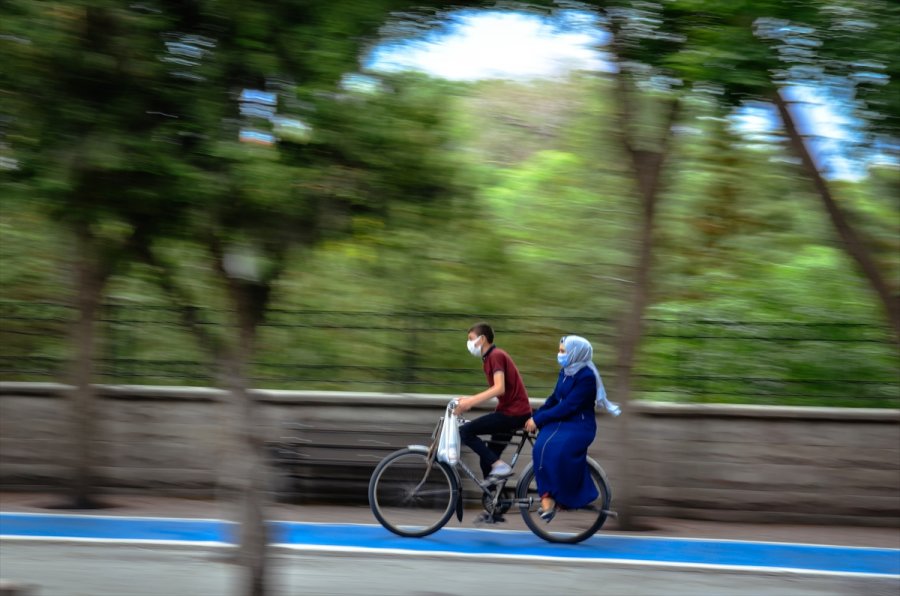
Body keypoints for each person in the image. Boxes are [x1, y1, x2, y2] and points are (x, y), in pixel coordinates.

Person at [524, 335, 620, 521]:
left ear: (577, 353)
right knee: (540, 447)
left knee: (559, 451)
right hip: (562, 422)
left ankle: (566, 497)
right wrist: (536, 416)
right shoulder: (566, 371)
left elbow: (568, 406)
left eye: (563, 351)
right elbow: (555, 398)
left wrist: (540, 419)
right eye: (560, 351)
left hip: (579, 425)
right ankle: (547, 495)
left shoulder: (587, 377)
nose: (560, 354)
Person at [456, 322, 533, 483]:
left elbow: (499, 388)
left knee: (465, 432)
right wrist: (467, 399)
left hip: (513, 414)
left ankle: (500, 467)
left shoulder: (495, 356)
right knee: (487, 460)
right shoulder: (490, 358)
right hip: (510, 412)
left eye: (470, 338)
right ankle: (493, 497)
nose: (468, 343)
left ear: (482, 339)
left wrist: (470, 402)